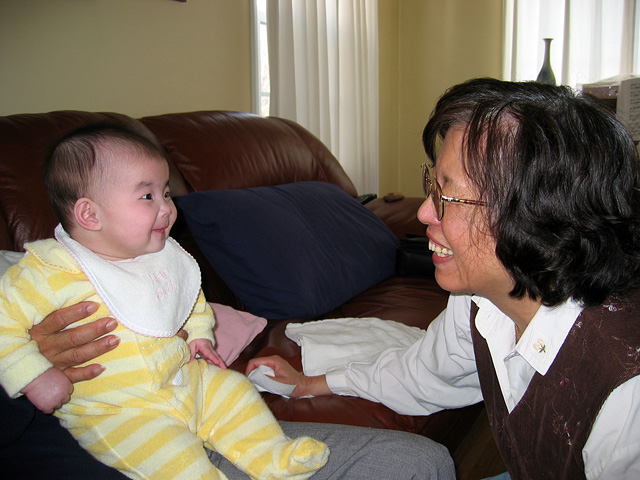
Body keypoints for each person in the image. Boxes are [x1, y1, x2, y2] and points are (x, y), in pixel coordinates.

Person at [247, 78, 640, 480]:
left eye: (447, 197)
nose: (423, 214)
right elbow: (423, 373)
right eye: (432, 185)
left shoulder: (625, 390)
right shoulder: (482, 298)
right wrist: (312, 384)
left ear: (540, 217)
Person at [0, 123, 329, 480]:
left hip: (186, 382)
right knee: (172, 458)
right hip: (120, 412)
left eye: (167, 193)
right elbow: (3, 324)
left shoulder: (161, 255)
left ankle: (273, 457)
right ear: (90, 215)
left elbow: (191, 300)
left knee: (233, 390)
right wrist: (33, 376)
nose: (168, 208)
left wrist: (201, 333)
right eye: (148, 197)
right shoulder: (47, 270)